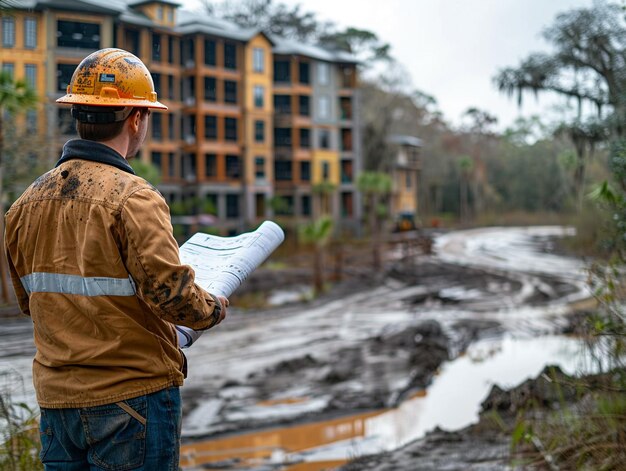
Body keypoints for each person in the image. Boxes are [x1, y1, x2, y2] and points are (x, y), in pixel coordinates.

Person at [4, 48, 228, 470]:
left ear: (79, 113)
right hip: (131, 401)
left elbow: (29, 301)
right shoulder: (133, 197)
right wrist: (213, 307)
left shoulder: (24, 204)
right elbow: (172, 297)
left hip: (58, 405)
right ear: (136, 118)